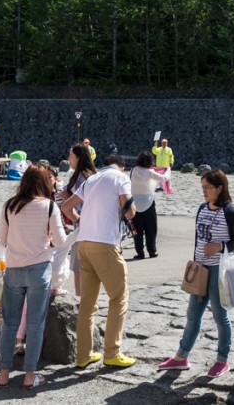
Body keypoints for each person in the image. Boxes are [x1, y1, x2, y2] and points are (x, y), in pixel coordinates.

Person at [158, 169, 234, 377]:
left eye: (208, 187)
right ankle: (181, 357)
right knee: (192, 315)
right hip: (200, 268)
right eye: (202, 187)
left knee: (219, 315)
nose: (204, 191)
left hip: (218, 270)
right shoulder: (202, 208)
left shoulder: (231, 212)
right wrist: (196, 263)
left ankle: (222, 360)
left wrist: (219, 247)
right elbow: (199, 239)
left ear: (219, 188)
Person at [60, 153, 137, 369]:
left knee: (87, 302)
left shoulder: (91, 179)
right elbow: (130, 212)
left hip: (84, 244)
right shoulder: (120, 178)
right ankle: (112, 352)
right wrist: (133, 208)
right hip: (106, 244)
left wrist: (81, 221)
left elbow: (66, 207)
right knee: (119, 298)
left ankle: (83, 355)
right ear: (121, 167)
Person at [0, 164, 67, 389]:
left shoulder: (10, 206)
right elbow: (61, 240)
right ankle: (29, 375)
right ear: (46, 182)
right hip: (39, 269)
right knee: (35, 324)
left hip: (14, 269)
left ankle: (4, 373)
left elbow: (2, 240)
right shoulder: (49, 207)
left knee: (9, 324)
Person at [63, 143, 97, 295]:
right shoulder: (89, 174)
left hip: (82, 225)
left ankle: (81, 302)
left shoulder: (82, 177)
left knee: (78, 268)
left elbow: (81, 201)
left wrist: (66, 197)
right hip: (90, 225)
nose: (69, 158)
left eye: (71, 155)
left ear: (78, 157)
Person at [129, 151, 161, 260]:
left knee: (137, 230)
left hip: (135, 203)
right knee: (151, 228)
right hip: (148, 202)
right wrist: (169, 170)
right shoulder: (149, 172)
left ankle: (140, 252)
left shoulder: (133, 170)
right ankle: (152, 251)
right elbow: (164, 178)